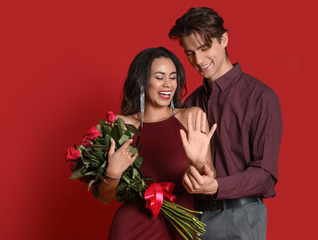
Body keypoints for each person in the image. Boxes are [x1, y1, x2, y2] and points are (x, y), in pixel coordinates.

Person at [168, 7, 283, 240]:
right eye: (190, 53)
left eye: (204, 48)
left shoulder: (261, 97)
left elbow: (266, 174)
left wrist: (217, 186)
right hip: (194, 217)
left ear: (224, 39)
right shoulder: (190, 102)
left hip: (241, 217)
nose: (198, 61)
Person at [97, 47, 217, 240]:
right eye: (159, 77)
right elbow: (104, 197)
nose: (168, 85)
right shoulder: (122, 125)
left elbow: (207, 180)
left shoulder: (192, 117)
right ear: (142, 82)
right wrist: (113, 173)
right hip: (133, 229)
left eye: (173, 77)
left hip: (181, 226)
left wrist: (200, 164)